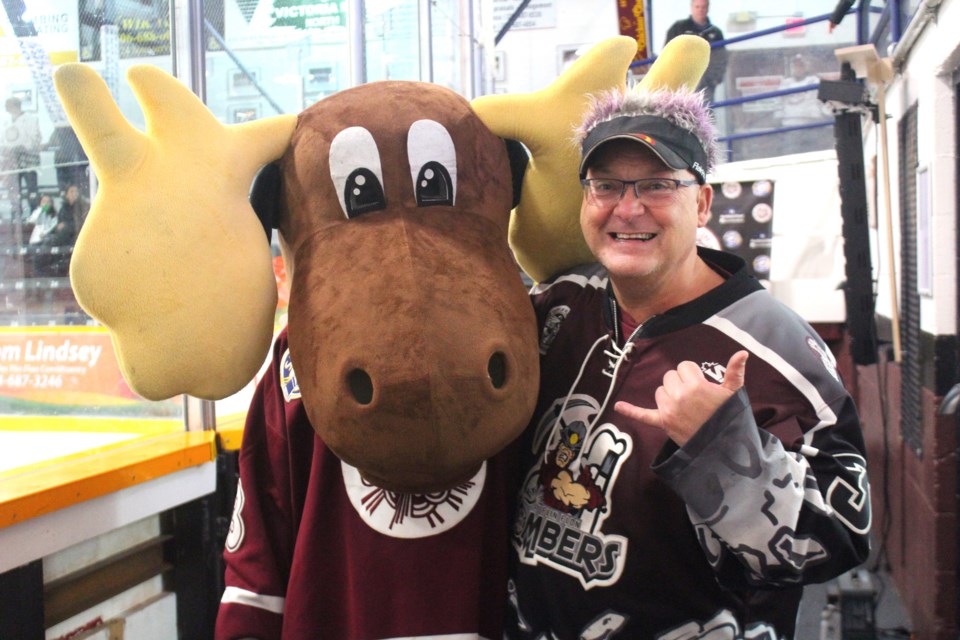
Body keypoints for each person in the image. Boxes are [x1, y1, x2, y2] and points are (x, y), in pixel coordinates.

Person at [504, 85, 872, 638]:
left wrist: (723, 449)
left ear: (701, 203)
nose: (627, 208)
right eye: (605, 186)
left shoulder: (776, 345)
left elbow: (841, 538)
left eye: (657, 185)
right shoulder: (558, 307)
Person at [665, 0, 728, 104]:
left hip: (706, 84)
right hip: (681, 82)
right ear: (692, 8)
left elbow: (721, 58)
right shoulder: (678, 28)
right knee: (679, 112)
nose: (700, 10)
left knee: (704, 113)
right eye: (697, 7)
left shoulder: (716, 33)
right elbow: (667, 52)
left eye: (703, 7)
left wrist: (715, 79)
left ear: (708, 8)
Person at [2, 95, 41, 216]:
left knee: (31, 189)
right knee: (13, 190)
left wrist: (22, 146)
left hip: (28, 160)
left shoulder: (31, 119)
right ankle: (16, 216)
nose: (7, 109)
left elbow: (36, 139)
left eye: (9, 107)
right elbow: (3, 141)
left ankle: (34, 215)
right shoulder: (5, 122)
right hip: (12, 161)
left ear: (16, 106)